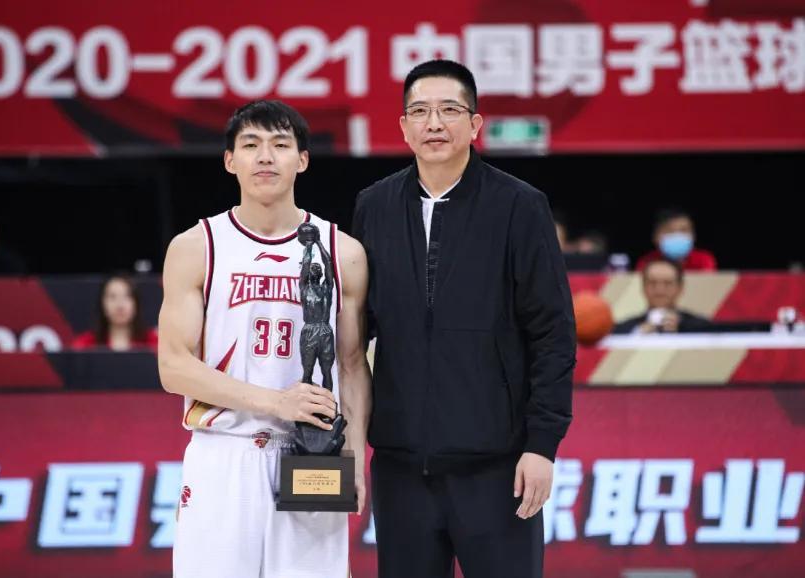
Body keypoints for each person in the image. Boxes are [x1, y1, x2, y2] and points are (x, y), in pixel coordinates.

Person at [352, 60, 575, 578]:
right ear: (403, 126)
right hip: (401, 469)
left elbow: (553, 335)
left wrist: (542, 447)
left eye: (449, 110)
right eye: (420, 112)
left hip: (498, 468)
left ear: (475, 124)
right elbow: (353, 336)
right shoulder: (373, 207)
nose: (434, 123)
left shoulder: (520, 206)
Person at [157, 100, 371, 578]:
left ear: (303, 159)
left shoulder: (344, 252)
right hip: (223, 451)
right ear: (230, 160)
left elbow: (353, 365)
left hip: (313, 453)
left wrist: (354, 456)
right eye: (251, 144)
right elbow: (173, 367)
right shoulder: (196, 247)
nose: (266, 156)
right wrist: (277, 402)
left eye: (280, 144)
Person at [614, 257, 714, 334]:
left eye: (668, 283)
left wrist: (681, 330)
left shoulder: (701, 326)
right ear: (643, 287)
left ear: (680, 288)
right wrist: (637, 334)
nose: (659, 290)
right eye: (652, 283)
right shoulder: (624, 330)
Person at [72, 274, 158, 350]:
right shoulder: (86, 344)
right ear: (102, 304)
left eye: (127, 296)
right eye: (112, 297)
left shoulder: (153, 342)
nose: (120, 305)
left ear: (136, 303)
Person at [636, 207, 717, 271]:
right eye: (669, 231)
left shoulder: (703, 260)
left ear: (693, 235)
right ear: (655, 237)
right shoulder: (646, 262)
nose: (677, 236)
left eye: (684, 230)